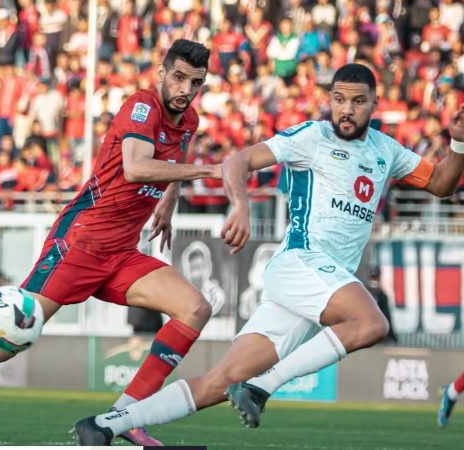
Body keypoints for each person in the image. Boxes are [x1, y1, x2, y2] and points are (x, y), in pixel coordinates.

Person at [72, 63, 464, 445]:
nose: (346, 109)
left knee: (221, 381)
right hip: (302, 263)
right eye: (339, 99)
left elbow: (442, 183)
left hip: (318, 285)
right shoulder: (312, 136)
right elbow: (238, 161)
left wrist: (459, 142)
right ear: (330, 99)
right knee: (371, 322)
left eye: (358, 101)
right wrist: (241, 206)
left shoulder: (387, 150)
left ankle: (104, 424)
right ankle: (262, 387)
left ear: (375, 104)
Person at [0, 39, 220, 446]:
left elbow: (175, 159)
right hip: (79, 244)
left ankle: (124, 417)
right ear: (161, 73)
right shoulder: (141, 106)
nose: (185, 89)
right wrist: (210, 170)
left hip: (122, 253)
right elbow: (137, 167)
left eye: (195, 82)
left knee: (194, 308)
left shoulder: (188, 120)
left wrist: (169, 203)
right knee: (6, 342)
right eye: (178, 77)